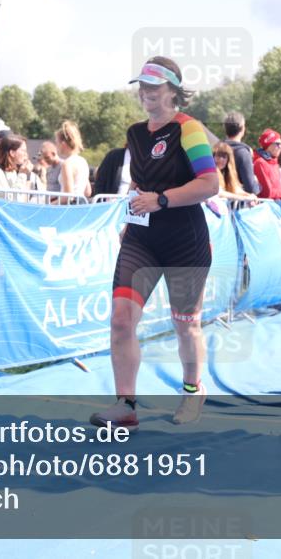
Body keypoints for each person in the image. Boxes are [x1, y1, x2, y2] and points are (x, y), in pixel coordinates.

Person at [89, 56, 219, 431]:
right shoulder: (134, 133)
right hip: (142, 239)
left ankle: (194, 389)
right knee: (120, 319)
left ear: (173, 91)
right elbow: (139, 184)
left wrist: (161, 199)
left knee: (185, 325)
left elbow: (210, 185)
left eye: (154, 86)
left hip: (185, 242)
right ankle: (125, 406)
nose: (145, 93)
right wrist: (132, 220)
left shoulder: (189, 129)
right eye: (141, 86)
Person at [222, 111, 260, 196]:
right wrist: (257, 184)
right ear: (242, 128)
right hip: (237, 204)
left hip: (217, 203)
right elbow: (251, 188)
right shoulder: (243, 153)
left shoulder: (215, 149)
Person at [56, 120, 91, 203]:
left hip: (69, 209)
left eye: (57, 142)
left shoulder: (67, 164)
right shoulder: (83, 161)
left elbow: (68, 197)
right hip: (80, 207)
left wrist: (48, 205)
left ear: (63, 144)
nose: (56, 146)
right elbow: (88, 192)